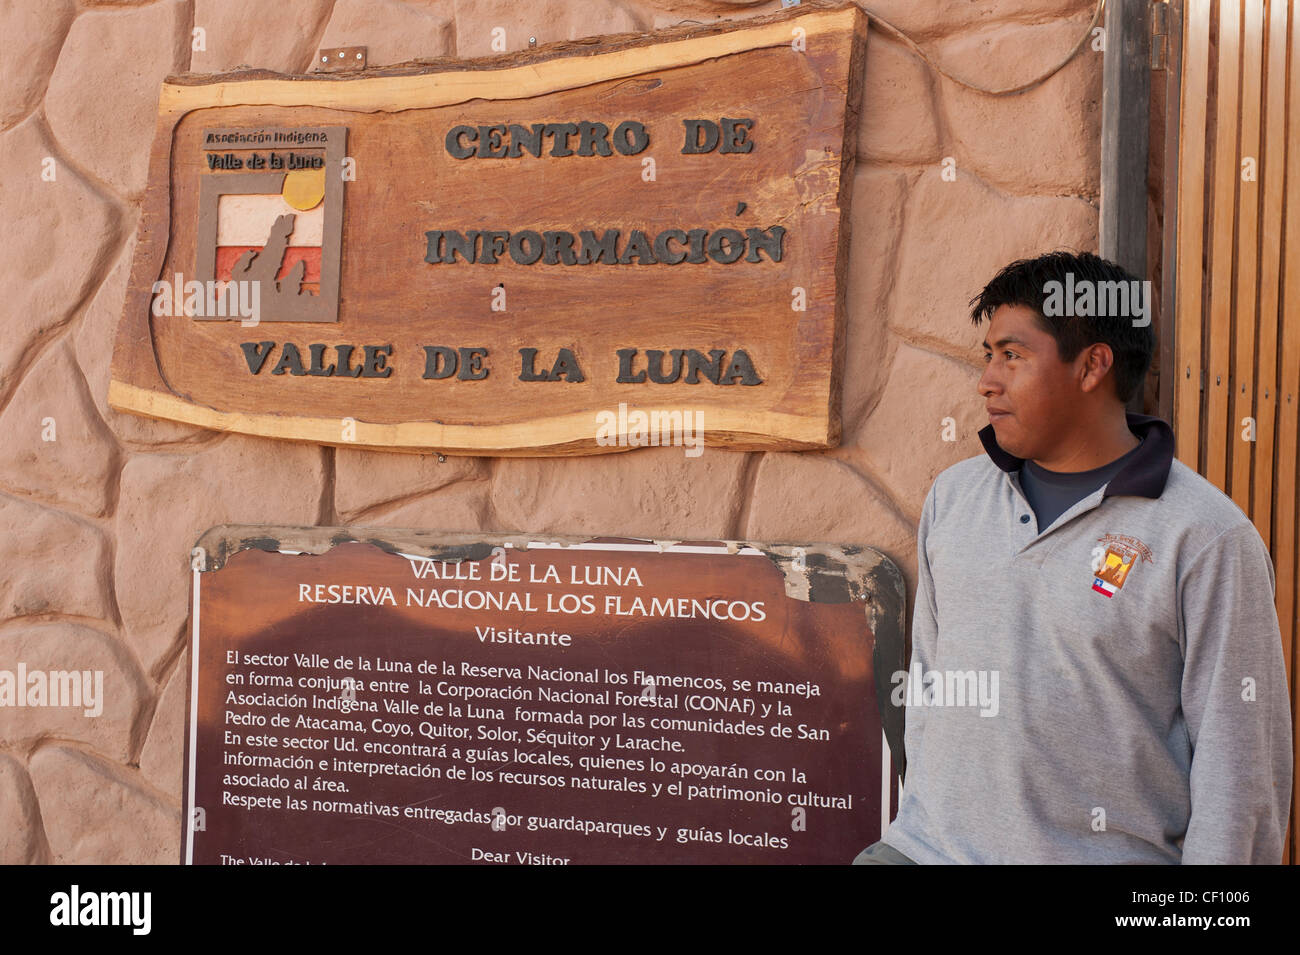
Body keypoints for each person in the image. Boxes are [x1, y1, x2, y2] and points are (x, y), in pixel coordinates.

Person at [855, 250, 1292, 864]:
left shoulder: (1206, 537)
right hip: (925, 852)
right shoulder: (955, 498)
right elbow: (929, 683)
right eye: (988, 355)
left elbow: (1240, 767)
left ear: (1093, 366)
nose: (987, 379)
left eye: (1012, 355)